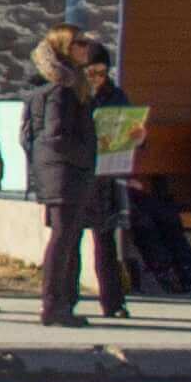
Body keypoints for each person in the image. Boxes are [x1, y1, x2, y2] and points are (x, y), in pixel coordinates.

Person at [27, 26, 127, 324]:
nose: (86, 47)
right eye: (80, 43)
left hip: (70, 173)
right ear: (66, 48)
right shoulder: (61, 88)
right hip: (65, 175)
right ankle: (54, 305)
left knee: (67, 239)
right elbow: (56, 136)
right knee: (63, 241)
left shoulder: (74, 84)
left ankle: (60, 306)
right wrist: (88, 155)